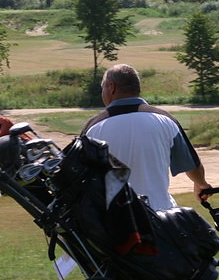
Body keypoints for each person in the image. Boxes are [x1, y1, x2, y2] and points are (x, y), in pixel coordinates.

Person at [80, 63, 211, 211]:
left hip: (115, 220)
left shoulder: (92, 128)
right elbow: (192, 165)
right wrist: (201, 184)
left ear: (112, 87)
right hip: (160, 214)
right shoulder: (166, 120)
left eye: (103, 87)